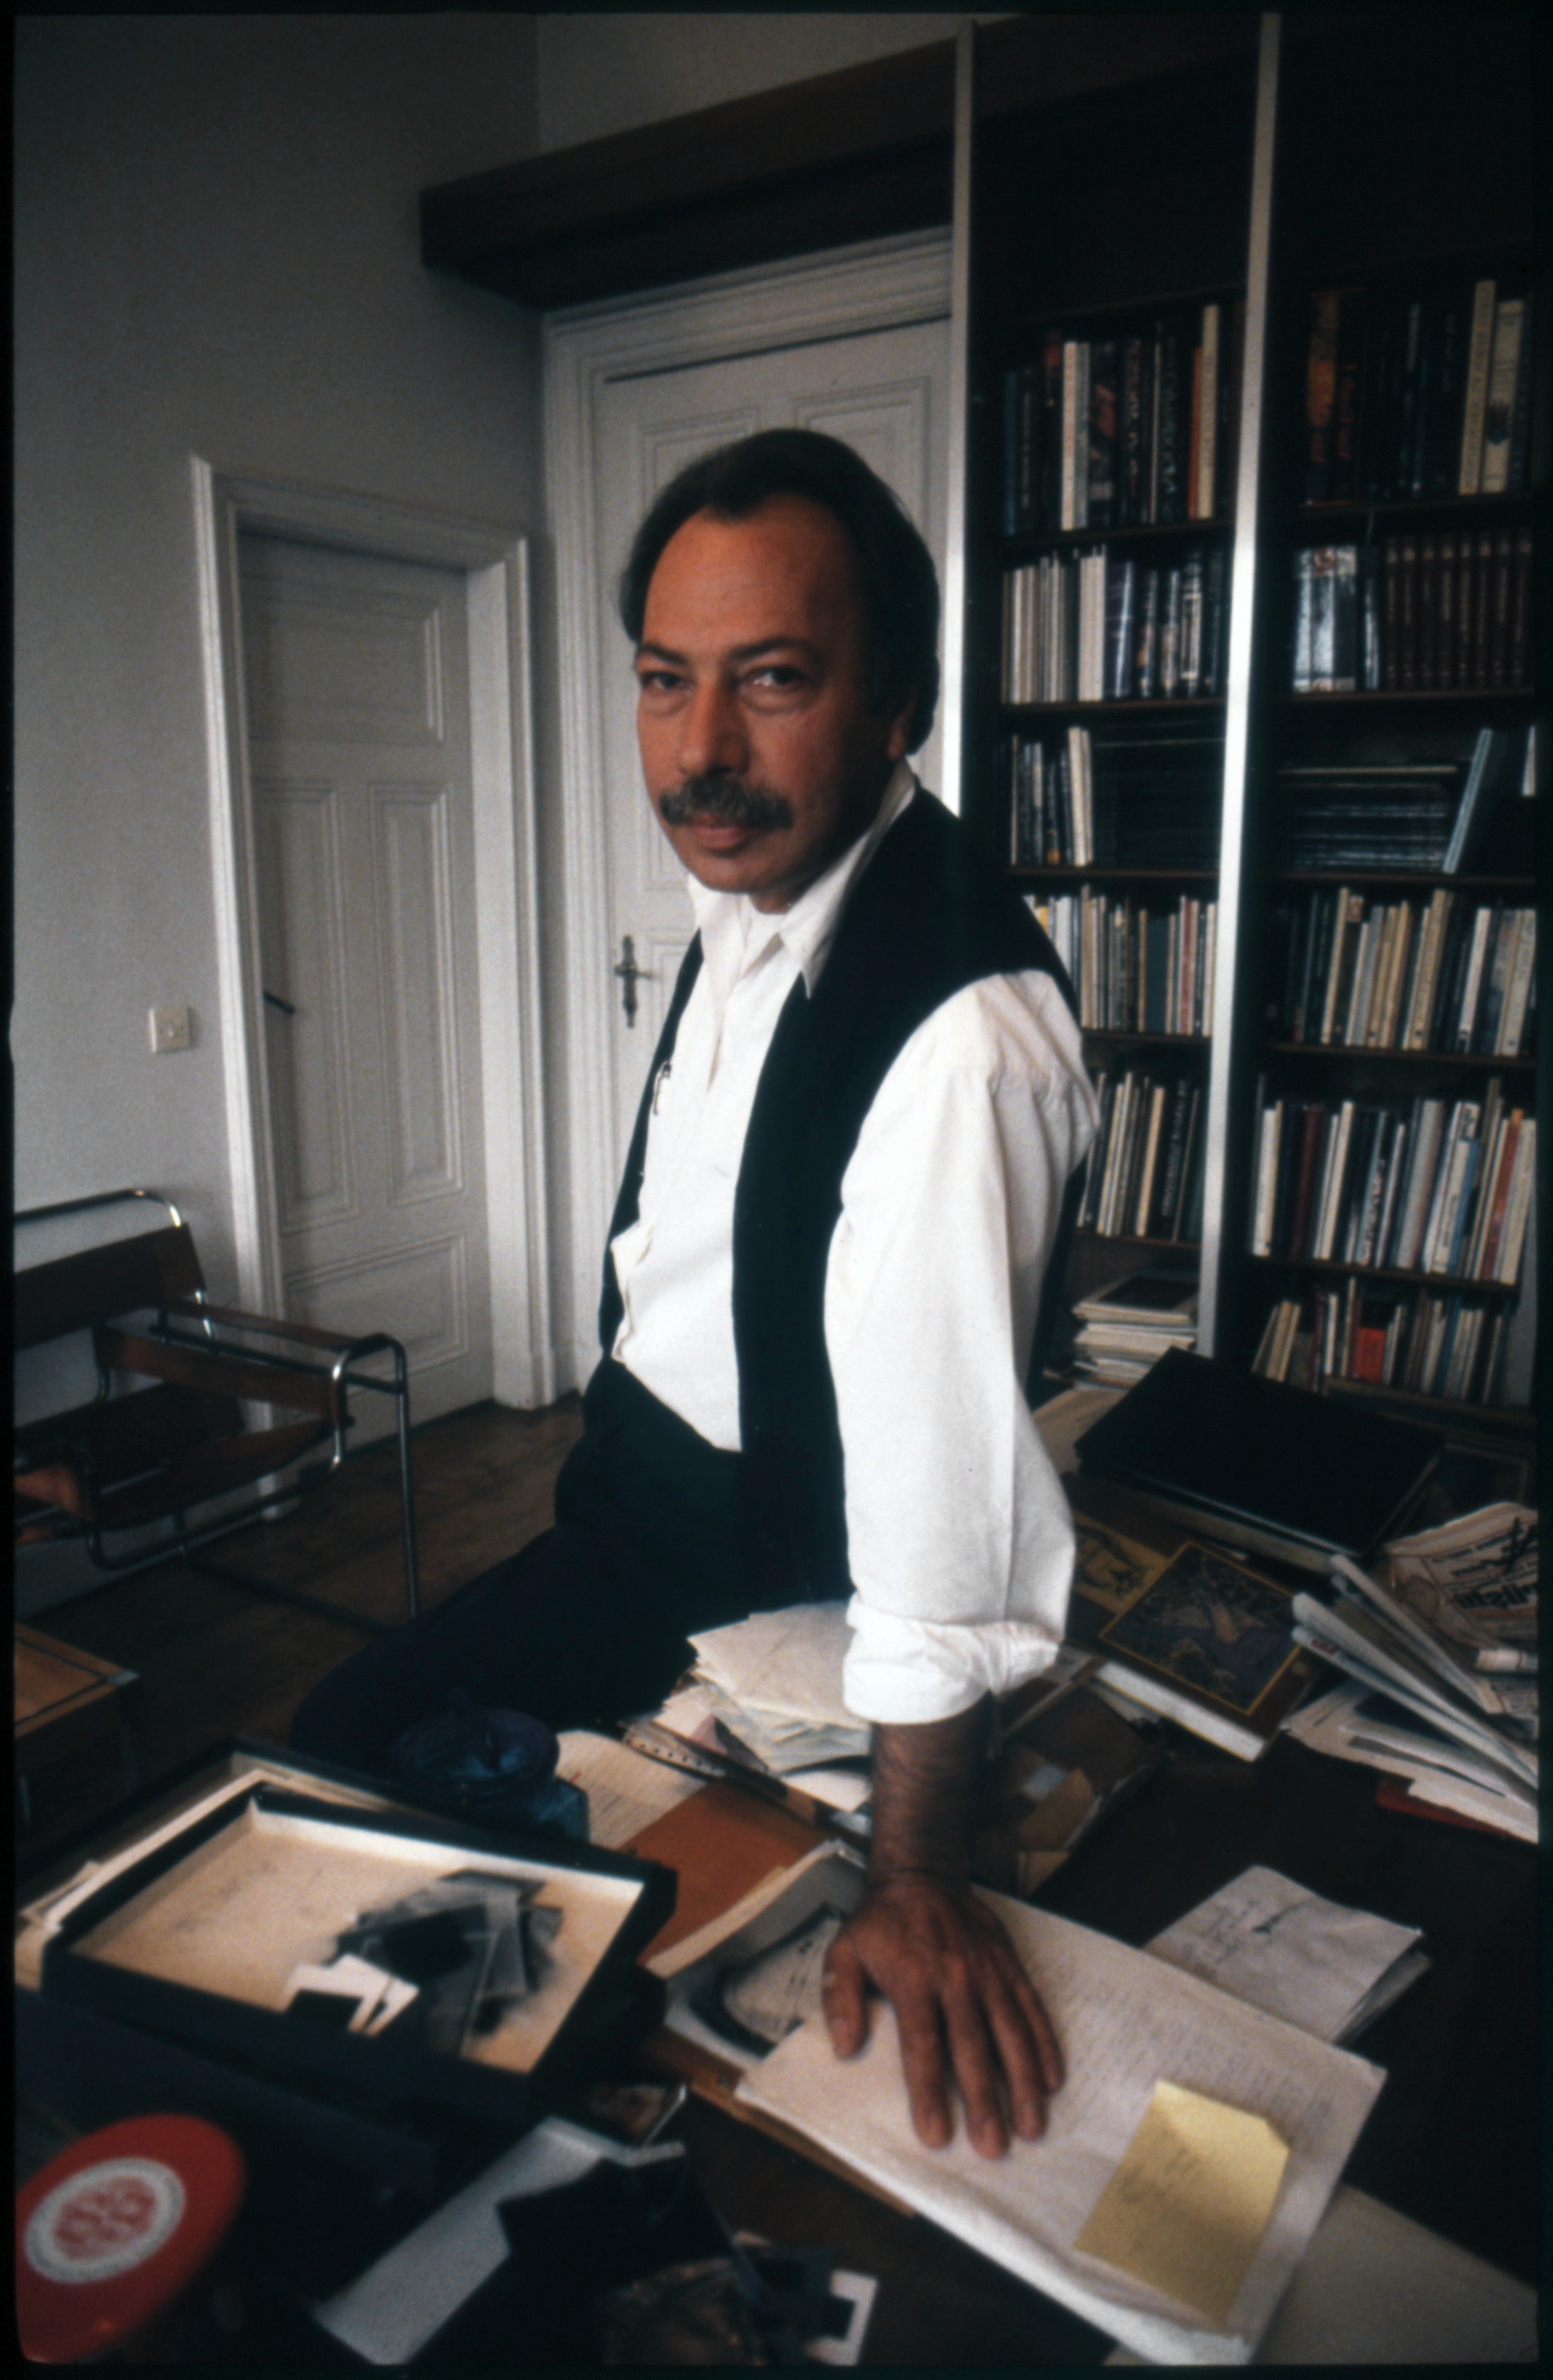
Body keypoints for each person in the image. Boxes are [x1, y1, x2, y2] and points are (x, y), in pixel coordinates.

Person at [293, 429, 1098, 2159]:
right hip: (634, 1502)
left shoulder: (959, 1039)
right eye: (666, 681)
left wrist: (916, 1877)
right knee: (343, 1765)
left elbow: (938, 1495)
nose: (700, 749)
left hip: (771, 1571)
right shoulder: (759, 886)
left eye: (773, 680)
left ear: (897, 704)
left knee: (423, 1830)